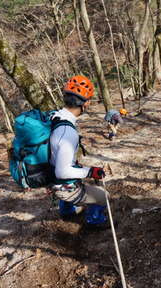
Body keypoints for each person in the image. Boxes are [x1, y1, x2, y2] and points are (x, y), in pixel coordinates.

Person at [49, 75, 109, 229]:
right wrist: (90, 172)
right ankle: (94, 222)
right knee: (103, 197)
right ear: (86, 103)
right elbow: (62, 172)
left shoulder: (55, 116)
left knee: (76, 174)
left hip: (50, 177)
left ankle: (67, 212)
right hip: (61, 184)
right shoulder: (68, 131)